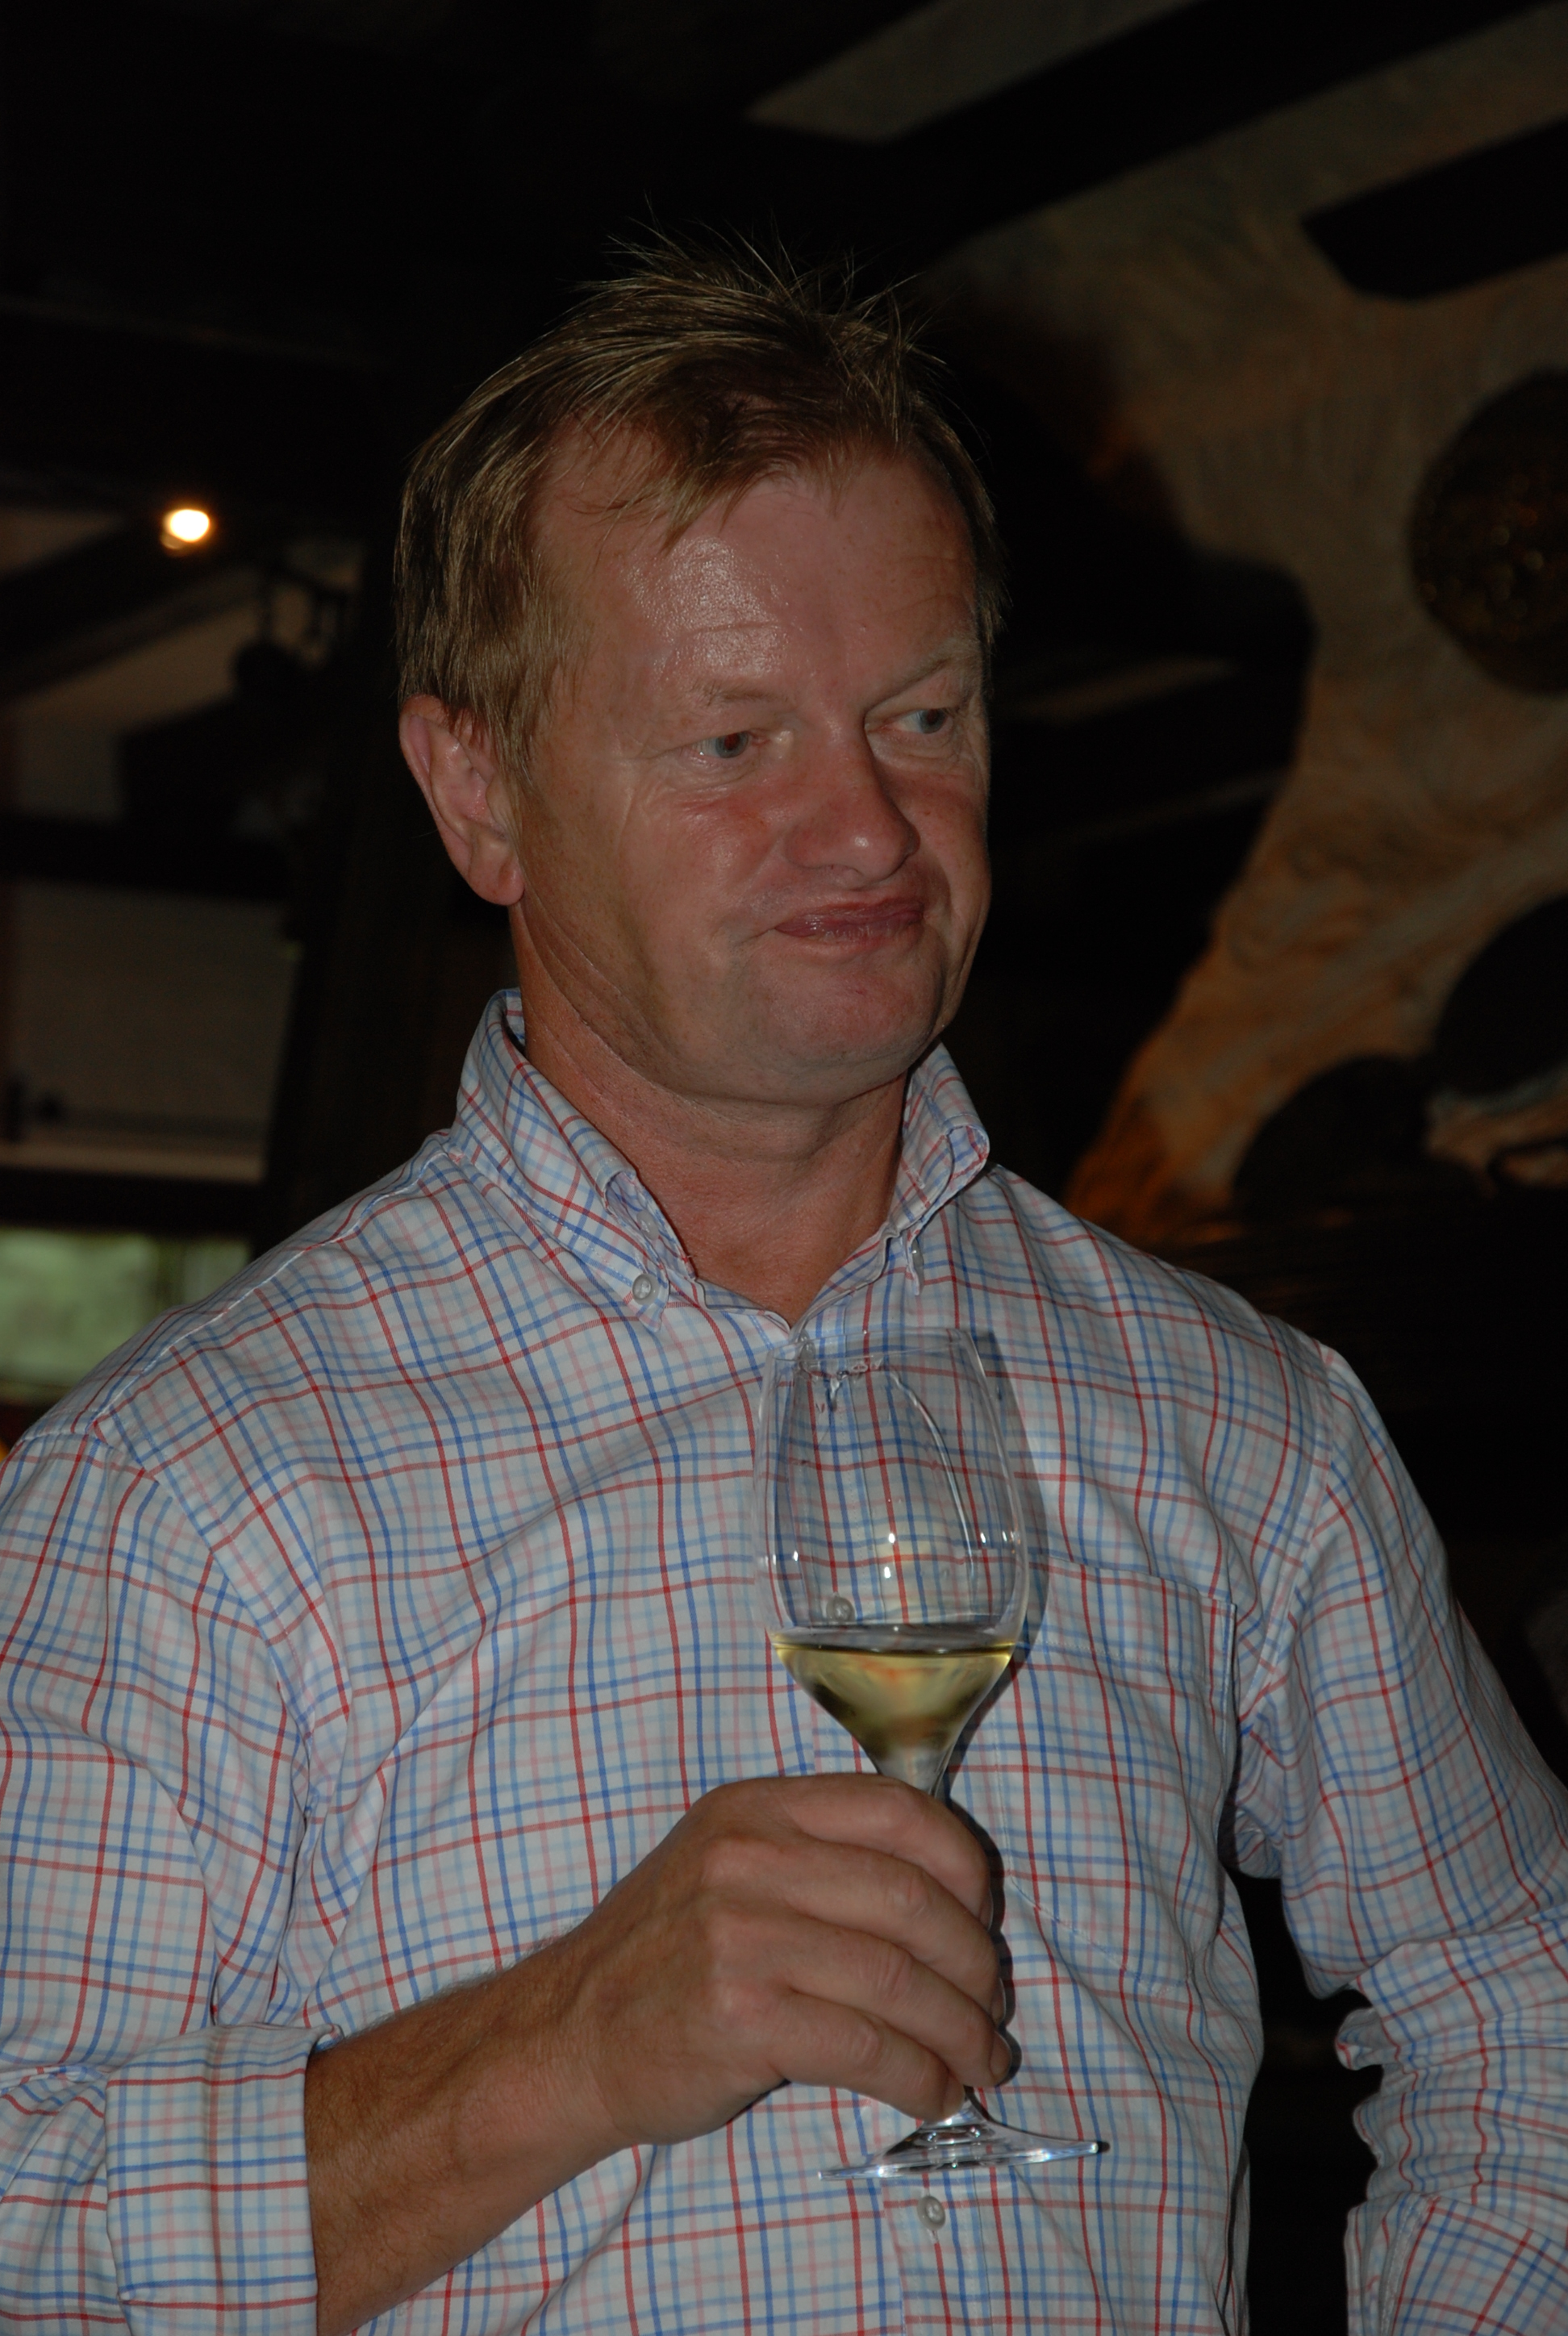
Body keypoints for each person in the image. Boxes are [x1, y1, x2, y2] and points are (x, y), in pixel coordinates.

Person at [2, 241, 1566, 2336]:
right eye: (736, 738)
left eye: (921, 715)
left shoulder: (1240, 1413)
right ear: (479, 794)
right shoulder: (185, 1487)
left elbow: (1520, 2005)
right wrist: (558, 2050)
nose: (869, 830)